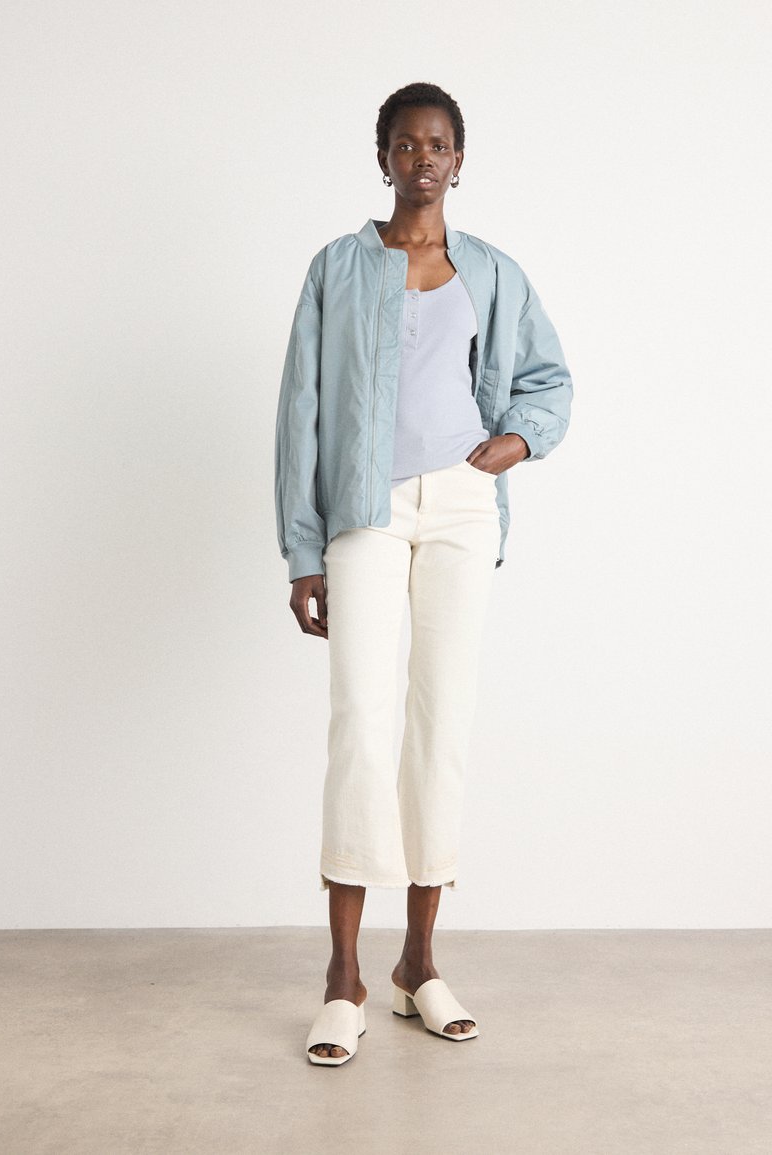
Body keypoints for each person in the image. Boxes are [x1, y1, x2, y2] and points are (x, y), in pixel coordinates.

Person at [273, 82, 573, 1065]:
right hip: (362, 510)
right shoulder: (336, 267)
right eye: (405, 145)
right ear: (383, 158)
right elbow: (301, 410)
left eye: (438, 145)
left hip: (460, 509)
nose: (423, 159)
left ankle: (418, 964)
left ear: (459, 159)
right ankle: (342, 978)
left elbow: (548, 380)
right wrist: (302, 549)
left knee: (440, 721)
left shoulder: (492, 272)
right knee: (360, 723)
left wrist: (513, 443)